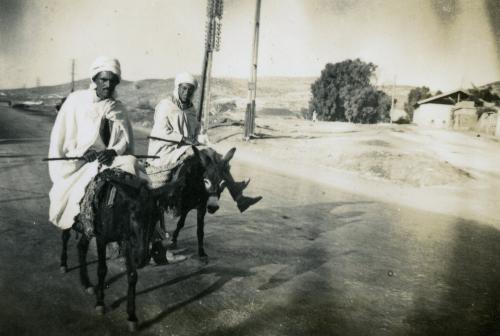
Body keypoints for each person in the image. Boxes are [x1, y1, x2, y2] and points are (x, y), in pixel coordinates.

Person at [48, 56, 139, 233]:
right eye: (103, 79)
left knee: (140, 179)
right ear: (94, 79)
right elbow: (64, 136)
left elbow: (123, 141)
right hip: (80, 163)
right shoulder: (76, 101)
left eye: (113, 81)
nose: (108, 85)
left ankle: (149, 236)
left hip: (109, 160)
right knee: (71, 196)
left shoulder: (118, 108)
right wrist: (83, 153)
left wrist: (113, 151)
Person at [148, 72, 262, 213]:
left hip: (185, 147)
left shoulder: (190, 109)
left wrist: (202, 139)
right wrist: (183, 139)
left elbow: (197, 130)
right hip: (167, 149)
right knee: (206, 155)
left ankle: (239, 197)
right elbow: (159, 131)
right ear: (177, 88)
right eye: (183, 88)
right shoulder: (166, 105)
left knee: (218, 158)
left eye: (190, 90)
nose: (187, 92)